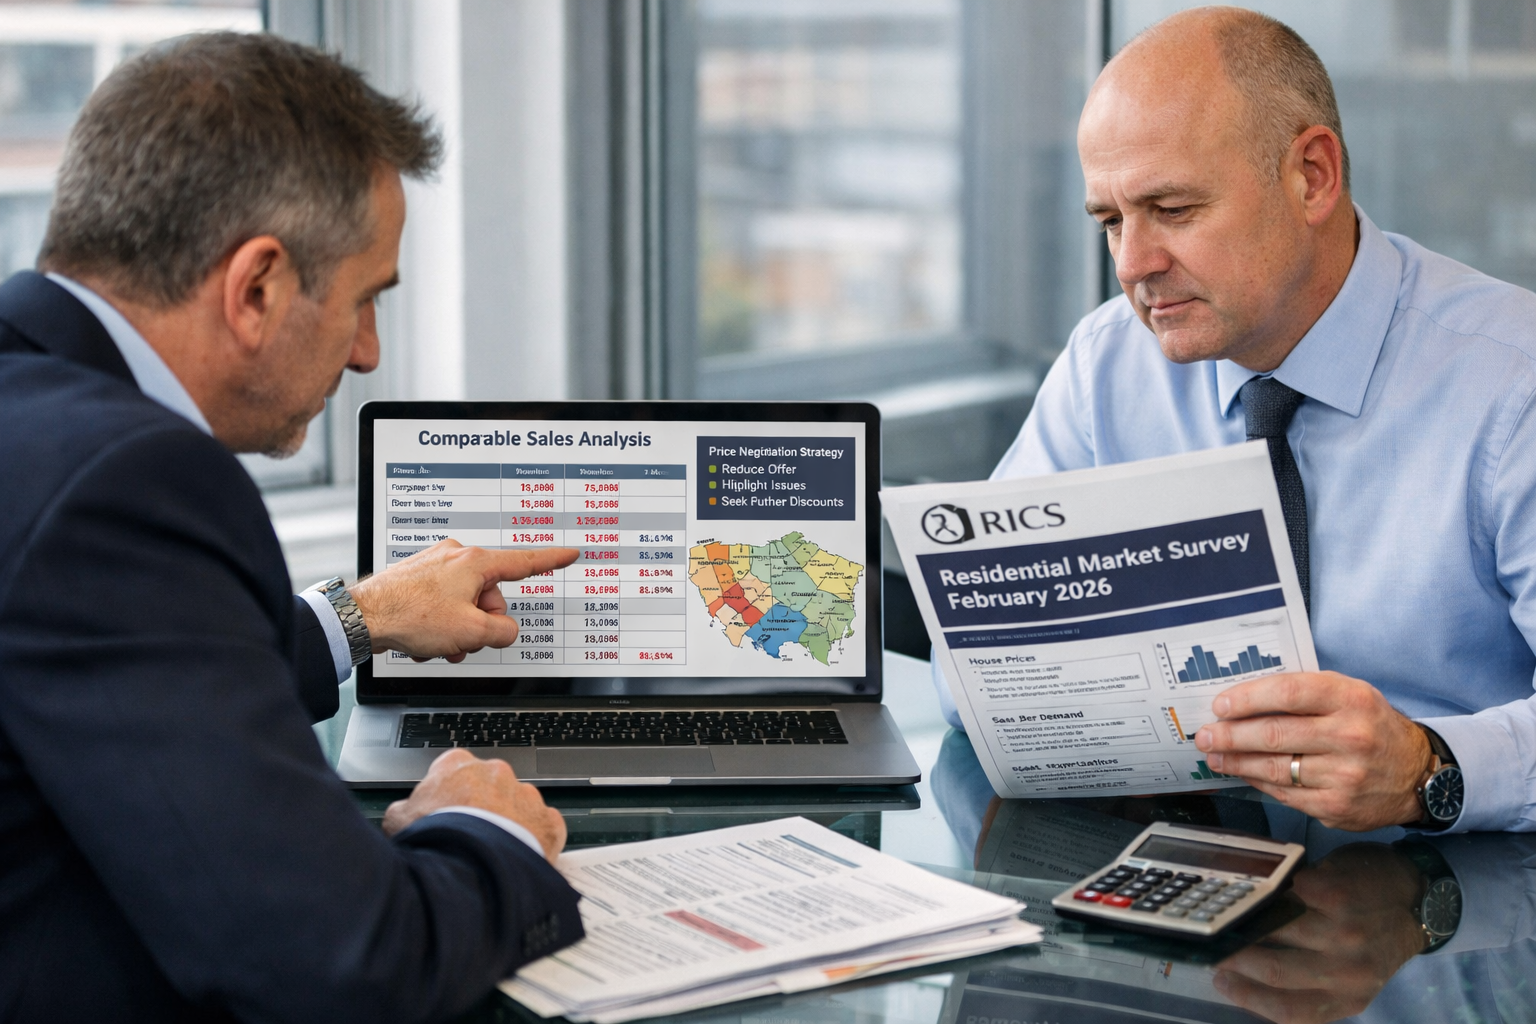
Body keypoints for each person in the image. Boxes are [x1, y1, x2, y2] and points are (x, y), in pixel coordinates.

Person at [0, 33, 586, 1022]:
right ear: (258, 287)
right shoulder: (129, 478)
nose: (366, 354)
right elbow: (346, 966)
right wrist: (487, 835)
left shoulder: (34, 406)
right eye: (363, 301)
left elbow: (97, 661)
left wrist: (359, 616)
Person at [936, 5, 1536, 834]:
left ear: (1312, 177)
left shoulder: (1514, 385)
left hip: (1453, 901)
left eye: (1173, 210)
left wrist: (1430, 767)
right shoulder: (1106, 365)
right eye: (1111, 222)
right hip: (1179, 878)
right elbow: (971, 659)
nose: (1133, 266)